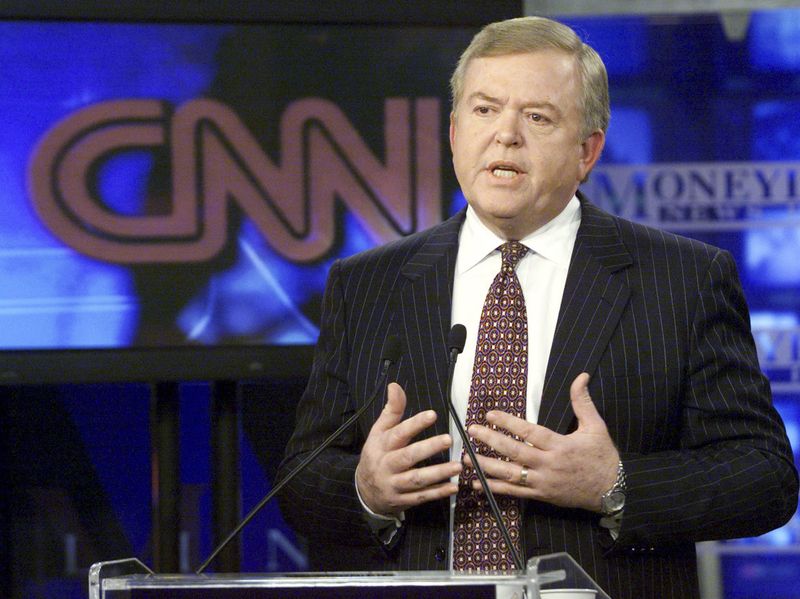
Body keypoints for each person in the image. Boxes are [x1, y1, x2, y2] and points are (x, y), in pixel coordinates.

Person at [277, 16, 798, 598]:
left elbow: (765, 477)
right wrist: (366, 488)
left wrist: (615, 483)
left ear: (587, 150)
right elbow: (301, 481)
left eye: (536, 116)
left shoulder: (684, 279)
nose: (505, 135)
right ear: (453, 134)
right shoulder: (368, 283)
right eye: (483, 110)